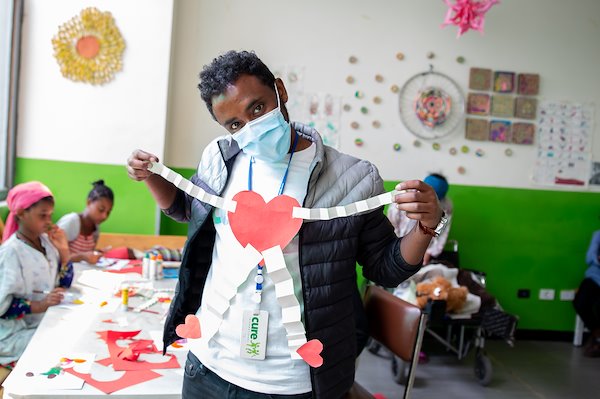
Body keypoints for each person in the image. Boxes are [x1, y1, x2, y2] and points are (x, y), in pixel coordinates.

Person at [126, 50, 445, 399]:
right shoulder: (219, 156)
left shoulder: (353, 178)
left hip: (294, 383)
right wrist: (150, 176)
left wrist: (426, 226)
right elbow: (190, 209)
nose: (250, 127)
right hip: (207, 367)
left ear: (280, 91)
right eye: (234, 124)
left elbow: (385, 268)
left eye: (257, 108)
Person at [0, 182, 71, 381]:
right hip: (13, 335)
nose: (49, 221)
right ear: (22, 213)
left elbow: (64, 283)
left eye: (50, 214)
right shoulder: (10, 252)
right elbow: (2, 307)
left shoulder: (47, 243)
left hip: (41, 322)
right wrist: (40, 304)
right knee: (63, 350)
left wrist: (64, 251)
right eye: (43, 215)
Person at [387, 173, 453, 265]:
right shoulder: (404, 196)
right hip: (396, 244)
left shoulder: (446, 207)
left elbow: (442, 232)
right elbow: (391, 223)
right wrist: (396, 247)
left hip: (424, 249)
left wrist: (429, 252)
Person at [57, 180, 113, 264]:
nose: (104, 216)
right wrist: (82, 256)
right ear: (89, 202)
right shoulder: (71, 222)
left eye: (108, 212)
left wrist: (96, 253)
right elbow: (55, 255)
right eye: (101, 210)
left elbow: (85, 254)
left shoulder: (96, 228)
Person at [573, 229, 600, 357]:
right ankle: (597, 334)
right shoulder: (598, 234)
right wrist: (597, 259)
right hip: (594, 277)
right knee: (580, 303)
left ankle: (597, 341)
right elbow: (589, 257)